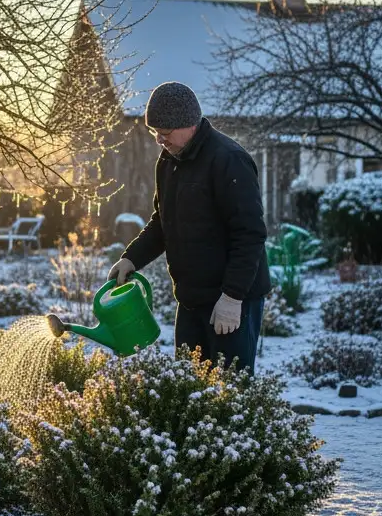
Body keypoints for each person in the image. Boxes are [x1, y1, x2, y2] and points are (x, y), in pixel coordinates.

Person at [109, 81, 270, 372]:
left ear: (188, 124)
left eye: (165, 133)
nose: (159, 139)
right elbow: (163, 222)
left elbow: (250, 235)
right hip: (191, 298)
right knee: (187, 387)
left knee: (230, 391)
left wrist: (232, 298)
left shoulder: (229, 160)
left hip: (231, 299)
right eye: (155, 132)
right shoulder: (169, 163)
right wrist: (131, 258)